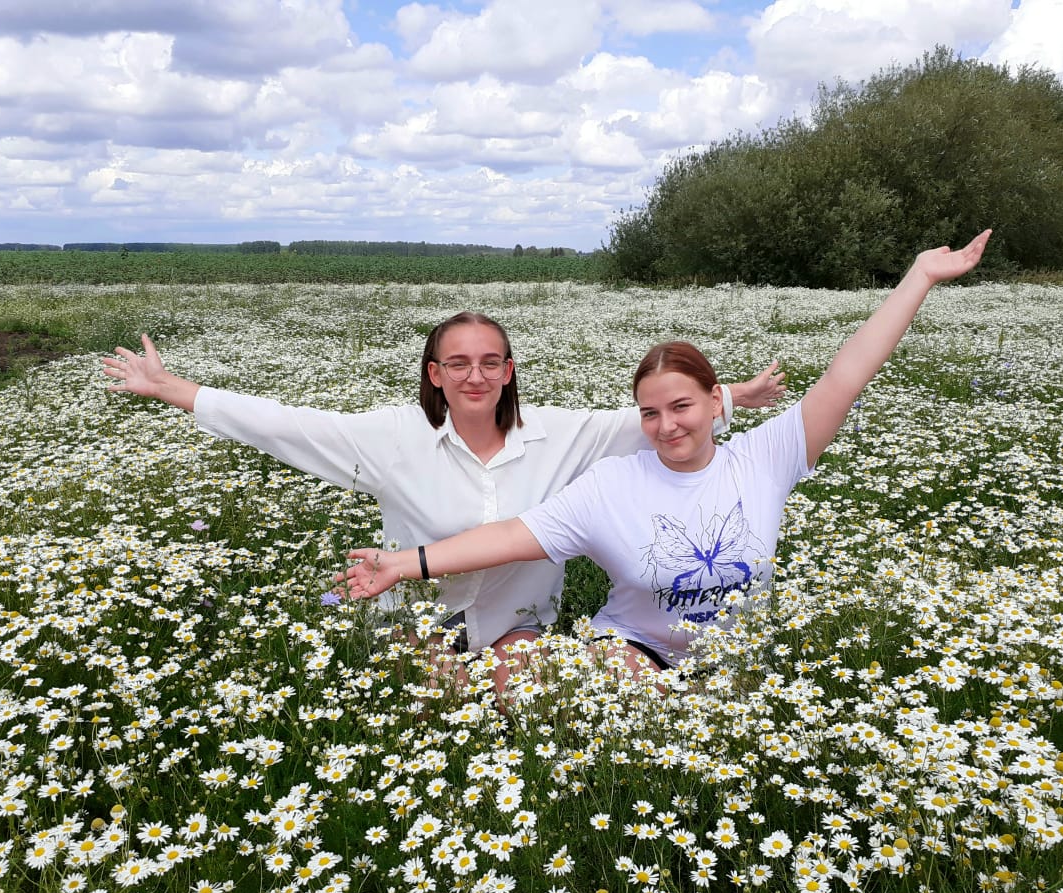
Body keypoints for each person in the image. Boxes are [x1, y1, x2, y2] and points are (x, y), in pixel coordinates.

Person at [338, 231, 992, 675]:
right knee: (623, 704)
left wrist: (922, 276)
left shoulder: (766, 459)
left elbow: (847, 375)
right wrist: (406, 563)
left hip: (735, 665)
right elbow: (509, 536)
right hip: (633, 653)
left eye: (681, 407)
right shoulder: (612, 484)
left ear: (716, 403)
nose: (666, 426)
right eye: (649, 413)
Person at [102, 312, 787, 666]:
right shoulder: (391, 439)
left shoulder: (561, 434)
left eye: (491, 362)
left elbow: (654, 419)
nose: (475, 376)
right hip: (415, 627)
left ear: (510, 370)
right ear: (433, 374)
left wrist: (730, 397)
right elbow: (288, 426)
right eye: (457, 363)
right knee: (427, 723)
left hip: (518, 628)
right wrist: (174, 391)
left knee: (523, 714)